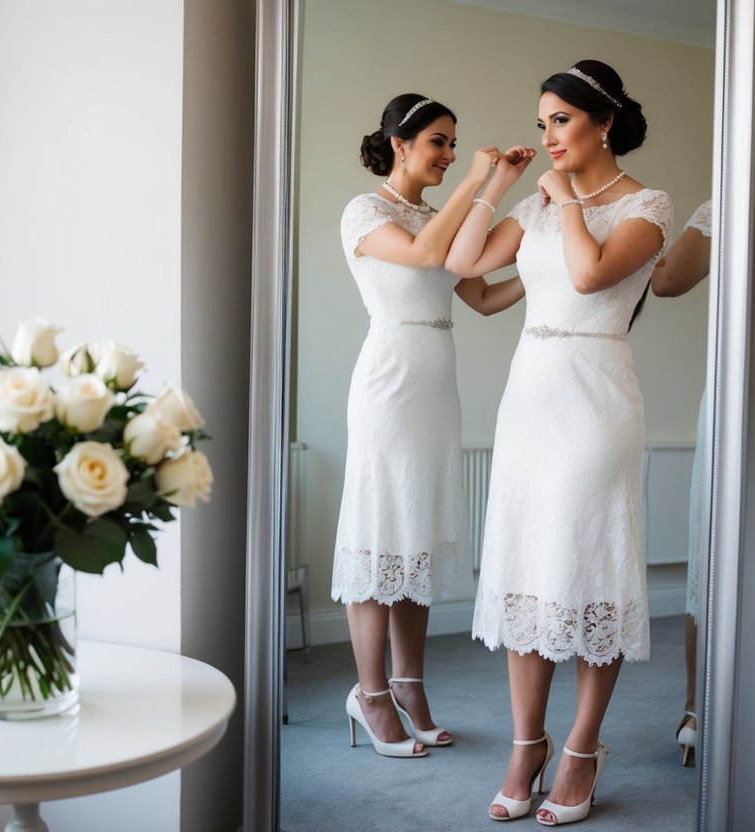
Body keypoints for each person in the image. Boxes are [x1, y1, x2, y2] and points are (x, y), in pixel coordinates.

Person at [446, 60, 673, 823]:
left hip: (595, 398)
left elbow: (586, 277)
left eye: (561, 121)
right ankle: (524, 745)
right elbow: (464, 265)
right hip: (529, 401)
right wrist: (497, 187)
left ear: (603, 122)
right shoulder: (538, 202)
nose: (547, 137)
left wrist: (565, 194)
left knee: (589, 570)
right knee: (527, 573)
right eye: (540, 122)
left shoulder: (647, 205)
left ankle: (580, 748)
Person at [334, 93, 524, 758]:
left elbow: (481, 294)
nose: (447, 155)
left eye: (452, 145)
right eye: (438, 143)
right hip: (388, 386)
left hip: (437, 390)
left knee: (413, 545)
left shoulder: (430, 217)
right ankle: (371, 694)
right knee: (378, 541)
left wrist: (542, 268)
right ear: (400, 143)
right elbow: (420, 256)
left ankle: (409, 684)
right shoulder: (367, 211)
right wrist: (478, 181)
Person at [651, 199, 713, 766]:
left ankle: (697, 708)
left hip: (738, 384)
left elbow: (667, 280)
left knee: (710, 544)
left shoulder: (728, 205)